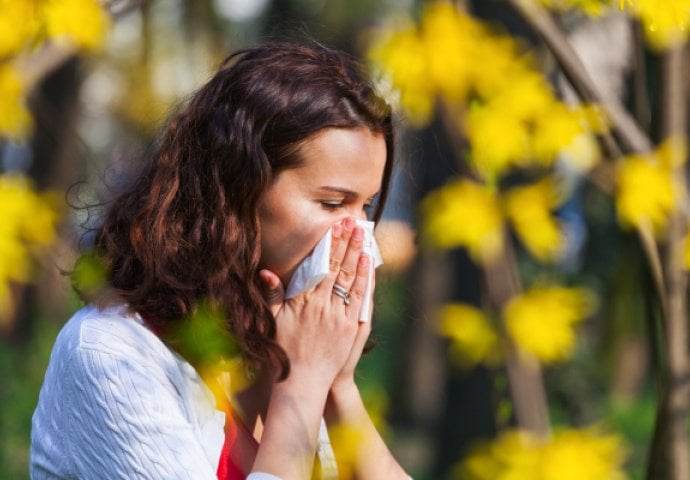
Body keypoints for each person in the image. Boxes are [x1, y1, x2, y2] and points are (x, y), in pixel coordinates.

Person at [30, 42, 412, 480]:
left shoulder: (273, 345)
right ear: (237, 190)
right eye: (331, 203)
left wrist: (336, 386)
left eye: (366, 207)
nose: (359, 237)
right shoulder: (111, 355)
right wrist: (302, 384)